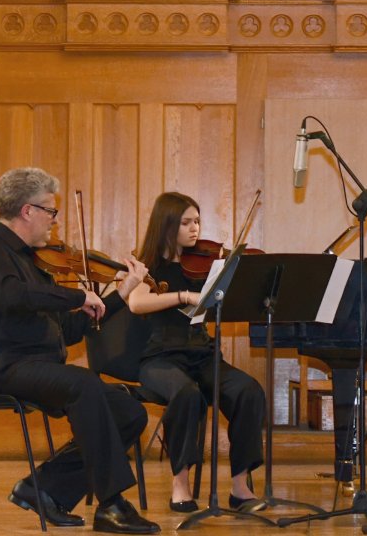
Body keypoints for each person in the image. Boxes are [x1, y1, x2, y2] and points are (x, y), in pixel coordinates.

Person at [0, 167, 159, 533]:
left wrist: (121, 293)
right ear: (27, 211)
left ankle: (43, 489)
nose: (55, 220)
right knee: (83, 385)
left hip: (38, 367)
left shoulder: (34, 264)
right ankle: (112, 505)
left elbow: (68, 330)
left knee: (128, 411)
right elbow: (10, 295)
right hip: (2, 368)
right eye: (51, 211)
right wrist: (75, 294)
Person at [126, 192, 267, 514]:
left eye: (197, 221)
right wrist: (183, 296)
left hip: (204, 356)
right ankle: (181, 484)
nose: (195, 229)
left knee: (248, 391)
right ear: (167, 224)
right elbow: (136, 303)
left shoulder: (205, 265)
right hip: (160, 359)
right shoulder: (147, 266)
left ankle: (240, 485)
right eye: (186, 222)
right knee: (187, 394)